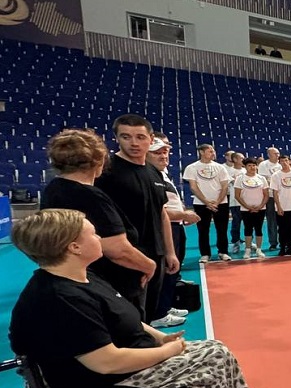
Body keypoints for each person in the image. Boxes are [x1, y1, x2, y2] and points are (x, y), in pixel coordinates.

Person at [9, 209, 263, 388]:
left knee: (216, 349)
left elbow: (122, 316)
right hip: (108, 380)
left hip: (127, 358)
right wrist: (166, 351)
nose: (99, 238)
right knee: (215, 358)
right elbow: (107, 362)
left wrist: (159, 337)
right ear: (74, 247)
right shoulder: (63, 299)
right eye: (93, 234)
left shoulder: (81, 276)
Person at [39, 128, 158, 320]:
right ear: (99, 160)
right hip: (109, 282)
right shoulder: (89, 196)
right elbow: (117, 250)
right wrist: (149, 265)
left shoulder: (54, 189)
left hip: (78, 279)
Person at [94, 114, 179, 323]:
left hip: (155, 254)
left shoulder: (153, 172)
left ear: (151, 139)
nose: (134, 143)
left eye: (140, 137)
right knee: (126, 317)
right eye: (126, 137)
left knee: (147, 312)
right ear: (116, 138)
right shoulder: (106, 172)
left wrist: (169, 252)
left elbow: (161, 214)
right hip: (123, 256)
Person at [147, 134, 199, 328]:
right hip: (166, 228)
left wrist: (182, 217)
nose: (163, 156)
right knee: (165, 271)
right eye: (157, 153)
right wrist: (184, 215)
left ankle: (166, 306)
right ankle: (158, 313)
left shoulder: (162, 174)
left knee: (172, 271)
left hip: (175, 226)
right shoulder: (150, 176)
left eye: (165, 152)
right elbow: (158, 211)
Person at [183, 143, 231, 263]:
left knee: (222, 229)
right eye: (210, 151)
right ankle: (205, 254)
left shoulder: (221, 167)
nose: (213, 153)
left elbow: (225, 186)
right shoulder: (192, 167)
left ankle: (223, 252)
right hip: (201, 204)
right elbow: (193, 187)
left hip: (221, 203)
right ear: (201, 152)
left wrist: (217, 202)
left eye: (213, 151)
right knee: (203, 229)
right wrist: (206, 202)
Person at [234, 157, 269, 259]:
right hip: (246, 210)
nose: (252, 167)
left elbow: (266, 194)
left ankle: (259, 249)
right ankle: (248, 249)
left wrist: (260, 206)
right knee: (248, 229)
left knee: (259, 229)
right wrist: (248, 207)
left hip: (260, 209)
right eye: (249, 165)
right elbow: (237, 195)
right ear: (245, 167)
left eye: (254, 165)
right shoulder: (240, 178)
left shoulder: (261, 178)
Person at [270, 155, 291, 256]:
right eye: (282, 161)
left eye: (286, 160)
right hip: (282, 206)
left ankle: (290, 247)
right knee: (282, 229)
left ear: (289, 161)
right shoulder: (276, 175)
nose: (284, 162)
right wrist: (278, 206)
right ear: (279, 162)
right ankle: (282, 247)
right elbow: (275, 192)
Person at [258, 148, 283, 251]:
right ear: (269, 154)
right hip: (271, 196)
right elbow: (264, 180)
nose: (277, 155)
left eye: (278, 153)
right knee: (272, 220)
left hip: (282, 196)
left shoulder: (281, 164)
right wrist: (275, 183)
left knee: (284, 219)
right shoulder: (263, 165)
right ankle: (273, 242)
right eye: (275, 153)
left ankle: (286, 241)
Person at [225, 152, 245, 254]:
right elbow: (234, 183)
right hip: (235, 201)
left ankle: (249, 242)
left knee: (248, 223)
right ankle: (235, 242)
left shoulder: (246, 170)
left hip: (247, 201)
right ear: (235, 159)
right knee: (236, 223)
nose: (244, 160)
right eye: (241, 158)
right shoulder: (228, 171)